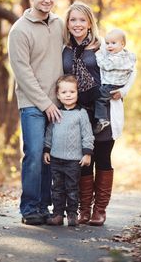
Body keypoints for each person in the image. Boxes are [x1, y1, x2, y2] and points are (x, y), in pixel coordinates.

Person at [62, 1, 136, 226]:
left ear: (89, 23)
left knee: (102, 158)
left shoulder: (102, 45)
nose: (77, 24)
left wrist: (123, 91)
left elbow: (131, 65)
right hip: (76, 113)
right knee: (84, 160)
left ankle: (99, 210)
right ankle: (84, 209)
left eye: (82, 20)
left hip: (103, 111)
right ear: (67, 23)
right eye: (73, 19)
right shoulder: (64, 48)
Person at [8, 0, 64, 225]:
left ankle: (44, 205)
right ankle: (29, 208)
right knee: (33, 153)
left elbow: (79, 44)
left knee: (49, 156)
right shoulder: (20, 30)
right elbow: (23, 73)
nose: (47, 0)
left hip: (59, 104)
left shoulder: (59, 24)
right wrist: (46, 103)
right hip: (32, 103)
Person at [43, 75, 94, 227]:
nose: (68, 95)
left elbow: (87, 134)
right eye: (64, 92)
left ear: (77, 93)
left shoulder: (81, 113)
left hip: (73, 160)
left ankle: (72, 215)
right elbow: (49, 133)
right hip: (56, 159)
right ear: (58, 95)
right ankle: (58, 214)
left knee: (72, 188)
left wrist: (87, 153)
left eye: (72, 91)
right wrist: (47, 150)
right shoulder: (56, 112)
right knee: (57, 188)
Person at [93, 28, 136, 134]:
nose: (109, 46)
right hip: (117, 84)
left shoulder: (116, 58)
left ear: (122, 44)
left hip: (111, 86)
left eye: (113, 43)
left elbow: (105, 65)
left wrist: (98, 55)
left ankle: (103, 120)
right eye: (107, 43)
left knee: (99, 99)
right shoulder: (127, 55)